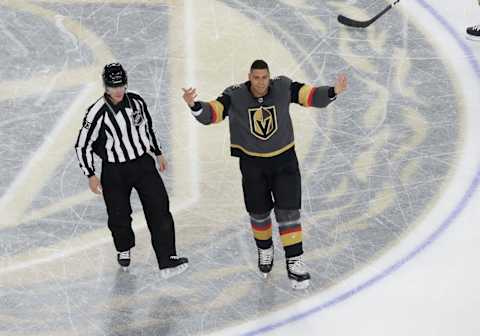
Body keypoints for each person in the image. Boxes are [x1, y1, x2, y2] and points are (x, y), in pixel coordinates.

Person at [182, 60, 347, 289]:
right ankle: (265, 249)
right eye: (256, 77)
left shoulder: (283, 87)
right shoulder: (234, 95)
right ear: (249, 76)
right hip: (252, 165)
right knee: (258, 214)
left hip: (284, 161)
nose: (260, 82)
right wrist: (195, 106)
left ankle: (294, 261)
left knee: (288, 212)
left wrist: (332, 91)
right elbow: (214, 112)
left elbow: (308, 95)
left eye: (264, 77)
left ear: (269, 77)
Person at [75, 63, 188, 278]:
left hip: (142, 165)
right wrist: (90, 173)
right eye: (112, 86)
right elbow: (82, 145)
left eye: (121, 85)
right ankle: (123, 246)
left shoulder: (136, 101)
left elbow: (148, 126)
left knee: (159, 207)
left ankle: (167, 260)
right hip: (114, 171)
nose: (118, 91)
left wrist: (157, 152)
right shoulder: (96, 112)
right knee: (119, 215)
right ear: (106, 87)